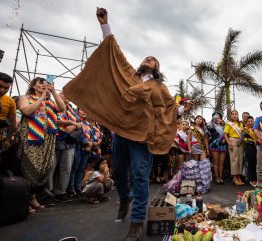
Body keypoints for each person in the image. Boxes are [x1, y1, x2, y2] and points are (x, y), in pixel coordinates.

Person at [63, 8, 193, 240]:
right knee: (120, 172)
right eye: (146, 57)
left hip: (143, 137)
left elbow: (170, 109)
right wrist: (105, 24)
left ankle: (136, 223)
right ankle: (124, 198)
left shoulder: (159, 88)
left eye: (152, 59)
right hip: (121, 132)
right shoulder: (129, 75)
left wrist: (184, 108)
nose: (148, 59)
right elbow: (114, 52)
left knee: (141, 176)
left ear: (157, 68)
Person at [17, 77, 65, 212]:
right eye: (40, 83)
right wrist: (42, 98)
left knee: (44, 167)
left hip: (48, 139)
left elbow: (62, 108)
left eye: (46, 84)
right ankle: (24, 201)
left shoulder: (49, 102)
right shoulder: (25, 97)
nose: (44, 85)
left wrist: (54, 92)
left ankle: (33, 197)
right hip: (31, 137)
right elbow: (26, 111)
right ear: (33, 86)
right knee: (29, 166)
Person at [48, 91, 82, 203]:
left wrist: (72, 126)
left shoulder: (72, 110)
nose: (65, 96)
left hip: (69, 143)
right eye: (62, 94)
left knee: (66, 169)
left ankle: (61, 192)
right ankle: (49, 192)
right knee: (51, 168)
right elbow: (53, 121)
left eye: (67, 95)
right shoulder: (53, 105)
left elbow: (79, 124)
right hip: (54, 140)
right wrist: (71, 123)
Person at [224, 110, 245, 186]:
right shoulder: (229, 124)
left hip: (241, 142)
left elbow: (242, 133)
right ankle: (234, 177)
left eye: (236, 114)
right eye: (232, 114)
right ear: (231, 116)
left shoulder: (241, 123)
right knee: (234, 160)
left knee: (240, 160)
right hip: (232, 141)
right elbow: (225, 134)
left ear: (238, 115)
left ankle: (238, 177)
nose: (234, 115)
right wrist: (229, 143)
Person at [206, 112, 226, 184]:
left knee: (221, 163)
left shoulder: (224, 127)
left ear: (221, 119)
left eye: (218, 118)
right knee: (216, 162)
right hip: (214, 145)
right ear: (213, 119)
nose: (217, 119)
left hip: (223, 146)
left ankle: (221, 177)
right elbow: (207, 135)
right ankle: (217, 178)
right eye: (215, 118)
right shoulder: (211, 126)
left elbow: (227, 135)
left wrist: (224, 139)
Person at [243, 116, 258, 187]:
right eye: (249, 121)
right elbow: (244, 139)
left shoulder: (256, 129)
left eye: (252, 121)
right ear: (247, 122)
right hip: (250, 148)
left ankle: (258, 178)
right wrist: (253, 142)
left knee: (257, 164)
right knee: (251, 164)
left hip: (258, 148)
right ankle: (252, 179)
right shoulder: (245, 129)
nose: (250, 122)